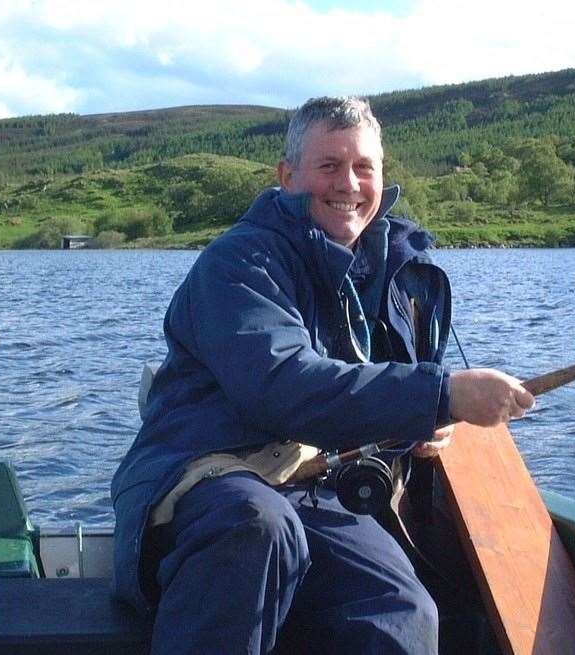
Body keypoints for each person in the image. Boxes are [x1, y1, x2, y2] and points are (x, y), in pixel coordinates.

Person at [111, 96, 535, 655]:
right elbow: (286, 387)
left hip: (312, 484)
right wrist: (442, 395)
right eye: (328, 166)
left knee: (400, 609)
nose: (350, 183)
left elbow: (377, 395)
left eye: (364, 168)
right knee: (257, 524)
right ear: (288, 177)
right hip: (203, 476)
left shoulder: (393, 267)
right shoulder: (239, 264)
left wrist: (425, 423)